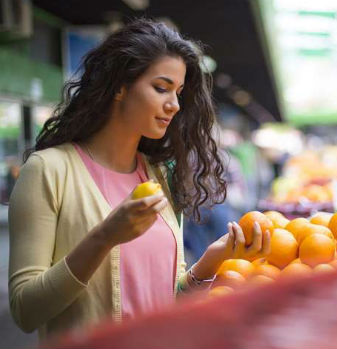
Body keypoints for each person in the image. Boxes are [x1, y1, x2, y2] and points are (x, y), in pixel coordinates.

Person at [8, 19, 270, 340]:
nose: (174, 105)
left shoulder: (160, 173)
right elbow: (25, 310)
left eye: (178, 92)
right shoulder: (48, 170)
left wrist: (213, 260)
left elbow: (167, 300)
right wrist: (104, 237)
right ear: (120, 85)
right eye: (161, 88)